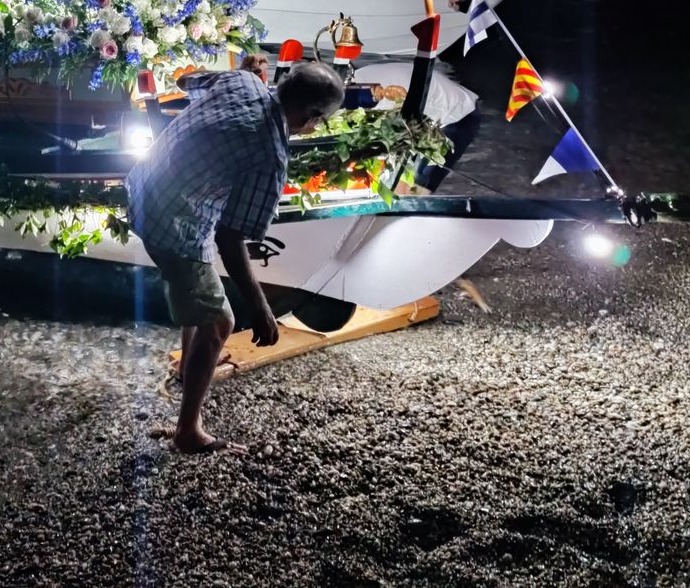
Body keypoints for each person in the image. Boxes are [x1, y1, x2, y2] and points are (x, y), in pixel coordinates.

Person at [127, 61, 346, 454]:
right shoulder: (270, 155)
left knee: (199, 283)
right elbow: (232, 238)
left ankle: (187, 369)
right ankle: (189, 432)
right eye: (321, 121)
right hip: (171, 221)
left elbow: (185, 80)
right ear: (310, 118)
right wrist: (260, 307)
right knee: (219, 321)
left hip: (145, 184)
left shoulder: (243, 80)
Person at [349, 60, 480, 190]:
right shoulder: (357, 78)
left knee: (419, 185)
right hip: (434, 109)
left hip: (458, 115)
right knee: (404, 181)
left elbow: (389, 143)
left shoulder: (385, 100)